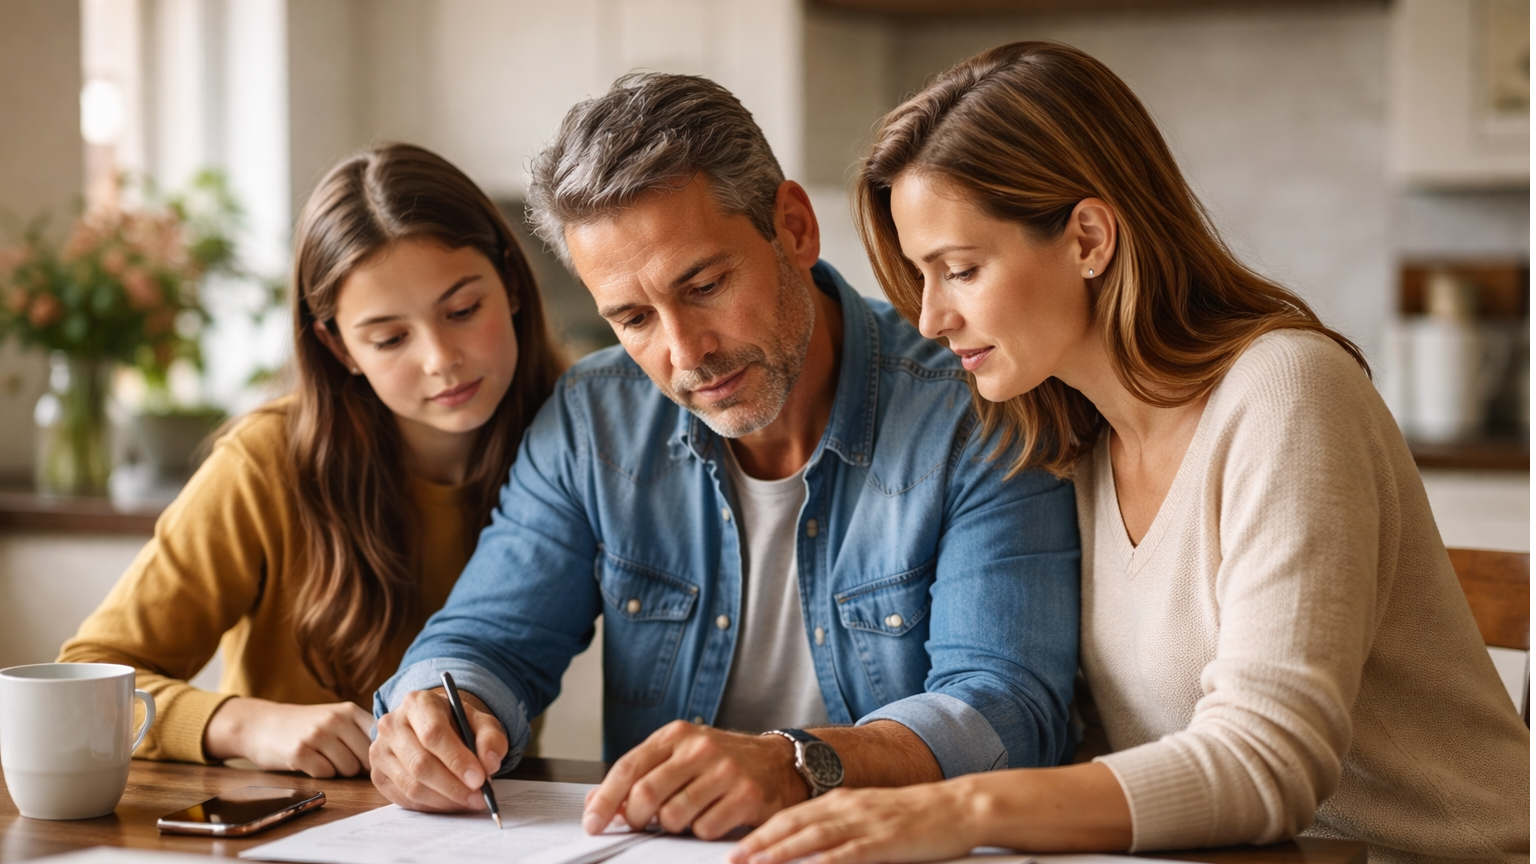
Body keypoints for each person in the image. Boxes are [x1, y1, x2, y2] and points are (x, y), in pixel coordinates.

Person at [732, 41, 1531, 864]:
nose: (931, 318)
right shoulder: (1067, 443)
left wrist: (959, 810)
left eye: (961, 270)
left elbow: (1269, 764)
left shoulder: (1287, 393)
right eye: (919, 276)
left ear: (1087, 239)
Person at [368, 73, 1081, 840]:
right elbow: (487, 638)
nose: (685, 354)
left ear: (796, 229)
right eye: (634, 318)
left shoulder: (976, 408)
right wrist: (440, 712)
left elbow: (1005, 706)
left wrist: (796, 764)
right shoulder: (592, 418)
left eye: (705, 285)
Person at [58, 143, 565, 779]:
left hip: (479, 825)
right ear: (338, 345)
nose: (441, 357)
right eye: (389, 338)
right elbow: (86, 677)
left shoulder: (576, 442)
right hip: (285, 822)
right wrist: (241, 723)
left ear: (512, 284)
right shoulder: (266, 462)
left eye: (463, 310)